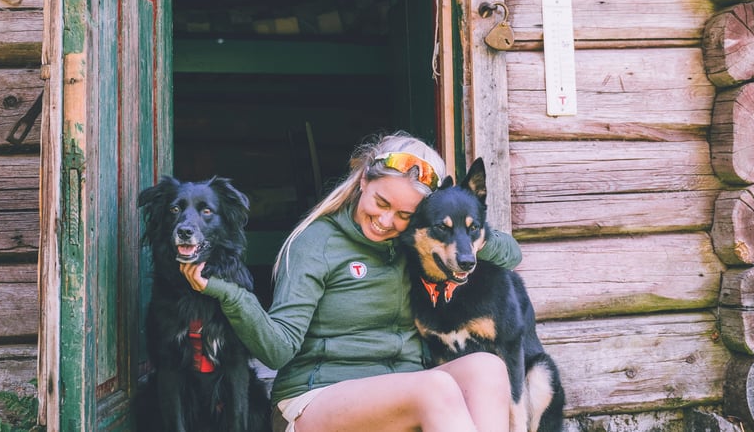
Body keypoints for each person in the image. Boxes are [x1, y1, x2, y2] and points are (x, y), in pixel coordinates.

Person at [180, 132, 524, 432]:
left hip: (400, 391)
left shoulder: (415, 244)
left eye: (404, 215)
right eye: (381, 202)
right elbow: (277, 348)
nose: (386, 221)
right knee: (435, 387)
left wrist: (464, 234)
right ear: (363, 182)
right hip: (315, 401)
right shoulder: (316, 242)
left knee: (488, 368)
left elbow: (511, 254)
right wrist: (230, 295)